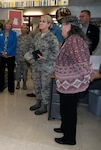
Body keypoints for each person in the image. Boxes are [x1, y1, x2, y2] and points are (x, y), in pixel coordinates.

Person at [54, 16, 91, 145]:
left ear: (69, 26)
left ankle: (69, 138)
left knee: (69, 111)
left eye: (63, 26)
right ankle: (64, 128)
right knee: (65, 109)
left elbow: (81, 62)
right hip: (67, 84)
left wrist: (87, 77)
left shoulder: (74, 40)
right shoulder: (71, 39)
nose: (61, 29)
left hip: (72, 84)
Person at [25, 15, 59, 115]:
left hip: (46, 66)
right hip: (36, 65)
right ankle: (38, 101)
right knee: (37, 85)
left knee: (45, 86)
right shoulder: (37, 36)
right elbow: (32, 48)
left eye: (43, 21)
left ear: (49, 24)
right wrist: (29, 55)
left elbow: (56, 54)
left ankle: (44, 105)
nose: (40, 23)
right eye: (40, 21)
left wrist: (45, 57)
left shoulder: (52, 38)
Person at [0, 19, 17, 94]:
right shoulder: (0, 33)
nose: (8, 25)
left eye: (10, 24)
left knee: (11, 72)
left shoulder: (14, 34)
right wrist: (2, 52)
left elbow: (14, 44)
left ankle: (11, 89)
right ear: (4, 25)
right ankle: (0, 88)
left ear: (11, 26)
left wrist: (7, 52)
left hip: (10, 55)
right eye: (7, 24)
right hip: (1, 55)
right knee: (1, 72)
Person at [16, 24, 31, 90]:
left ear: (27, 29)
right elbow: (15, 47)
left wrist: (29, 57)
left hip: (26, 58)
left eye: (25, 28)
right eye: (22, 28)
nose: (23, 29)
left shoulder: (29, 38)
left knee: (25, 71)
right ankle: (18, 83)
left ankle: (24, 83)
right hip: (18, 57)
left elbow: (31, 48)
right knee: (18, 71)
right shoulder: (17, 37)